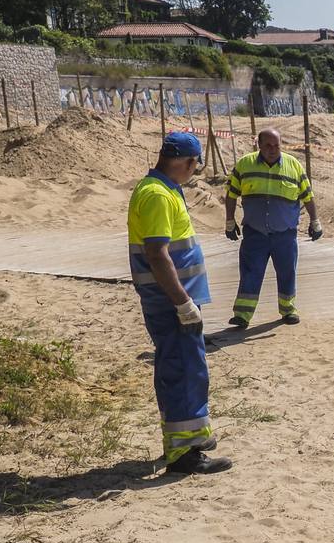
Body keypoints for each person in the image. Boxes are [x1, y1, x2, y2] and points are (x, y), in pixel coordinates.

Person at [128, 132, 231, 475]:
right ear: (186, 162)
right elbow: (158, 255)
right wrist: (183, 303)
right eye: (195, 165)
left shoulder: (163, 189)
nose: (194, 171)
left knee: (187, 369)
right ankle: (184, 454)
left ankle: (190, 439)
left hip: (174, 301)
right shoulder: (157, 195)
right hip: (171, 303)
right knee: (184, 372)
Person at [225, 129, 322, 327]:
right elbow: (231, 194)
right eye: (268, 145)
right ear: (258, 145)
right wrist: (229, 221)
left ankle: (288, 310)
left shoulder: (293, 166)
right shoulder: (245, 165)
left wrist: (315, 221)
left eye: (276, 145)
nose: (272, 150)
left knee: (287, 271)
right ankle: (242, 315)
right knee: (250, 272)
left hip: (284, 234)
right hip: (255, 233)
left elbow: (308, 196)